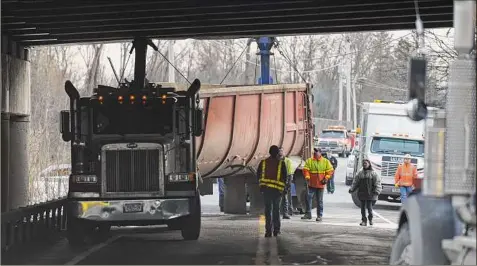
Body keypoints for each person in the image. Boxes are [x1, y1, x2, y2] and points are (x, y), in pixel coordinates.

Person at [256, 145, 289, 237]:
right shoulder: (281, 163)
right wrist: (284, 189)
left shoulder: (263, 163)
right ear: (278, 153)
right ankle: (276, 230)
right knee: (276, 211)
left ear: (269, 152)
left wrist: (261, 187)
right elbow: (285, 178)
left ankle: (268, 231)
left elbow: (258, 176)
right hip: (277, 191)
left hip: (266, 190)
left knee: (268, 211)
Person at [301, 148, 334, 221]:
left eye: (316, 152)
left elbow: (330, 171)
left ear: (320, 153)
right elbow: (305, 170)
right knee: (308, 198)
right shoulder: (309, 161)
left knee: (319, 201)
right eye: (314, 152)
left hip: (320, 185)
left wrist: (326, 178)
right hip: (311, 184)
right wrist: (307, 177)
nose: (315, 153)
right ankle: (308, 214)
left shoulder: (325, 161)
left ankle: (319, 215)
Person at [348, 159, 381, 226]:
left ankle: (370, 219)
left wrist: (377, 191)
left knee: (369, 208)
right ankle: (364, 221)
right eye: (364, 163)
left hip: (370, 194)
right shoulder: (360, 173)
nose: (365, 164)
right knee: (362, 208)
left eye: (366, 163)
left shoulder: (373, 173)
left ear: (369, 164)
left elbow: (377, 183)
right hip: (362, 193)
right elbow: (355, 182)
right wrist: (352, 189)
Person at [279, 147, 293, 219]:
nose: (280, 152)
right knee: (277, 200)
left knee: (285, 199)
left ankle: (285, 213)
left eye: (281, 151)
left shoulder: (287, 161)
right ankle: (277, 213)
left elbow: (290, 174)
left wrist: (288, 184)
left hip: (284, 183)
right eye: (279, 151)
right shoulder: (276, 161)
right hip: (277, 183)